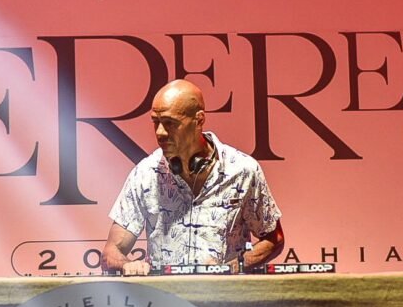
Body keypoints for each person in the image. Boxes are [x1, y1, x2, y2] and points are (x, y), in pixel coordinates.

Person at [103, 80, 285, 276]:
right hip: (164, 295)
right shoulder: (145, 173)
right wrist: (127, 265)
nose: (160, 132)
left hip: (224, 294)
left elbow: (274, 238)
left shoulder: (243, 170)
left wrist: (233, 267)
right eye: (156, 122)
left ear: (199, 120)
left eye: (170, 123)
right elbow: (111, 252)